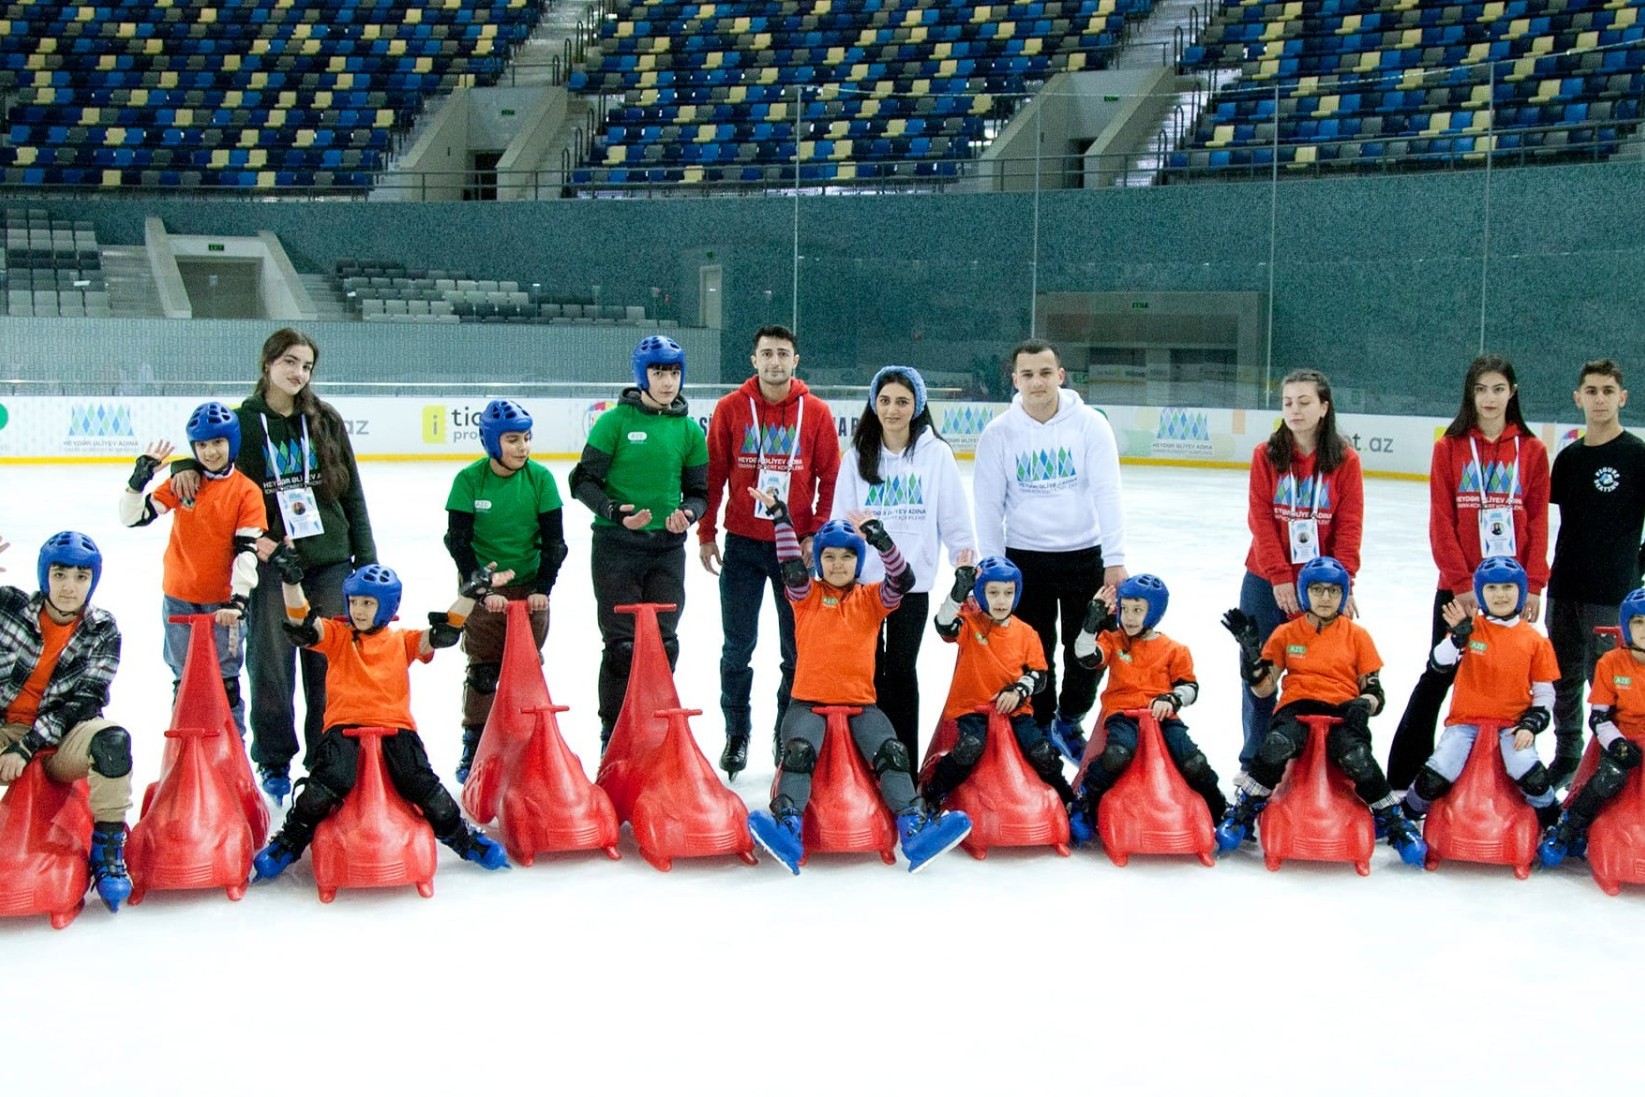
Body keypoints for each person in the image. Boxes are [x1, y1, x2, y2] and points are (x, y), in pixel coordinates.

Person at [172, 329, 377, 805]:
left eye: (306, 366)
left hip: (328, 562)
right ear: (267, 364)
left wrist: (366, 562)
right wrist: (181, 462)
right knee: (270, 666)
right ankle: (275, 760)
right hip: (267, 564)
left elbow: (353, 494)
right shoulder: (242, 423)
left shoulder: (325, 420)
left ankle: (328, 755)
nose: (298, 373)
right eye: (289, 362)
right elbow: (209, 459)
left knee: (327, 664)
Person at [744, 489, 972, 874]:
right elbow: (789, 565)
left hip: (861, 705)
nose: (837, 564)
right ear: (818, 562)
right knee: (798, 752)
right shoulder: (806, 595)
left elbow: (903, 578)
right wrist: (781, 517)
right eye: (828, 557)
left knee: (893, 753)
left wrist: (878, 536)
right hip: (808, 704)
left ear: (858, 561)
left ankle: (914, 828)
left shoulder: (870, 599)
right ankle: (788, 825)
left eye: (847, 556)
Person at [251, 550, 508, 878]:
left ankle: (462, 838)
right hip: (343, 729)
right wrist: (291, 580)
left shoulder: (402, 641)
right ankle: (289, 841)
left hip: (395, 729)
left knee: (422, 785)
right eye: (354, 602)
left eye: (368, 603)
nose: (358, 610)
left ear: (386, 606)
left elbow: (444, 631)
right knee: (327, 783)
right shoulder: (337, 636)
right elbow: (303, 623)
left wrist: (469, 594)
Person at [1384, 354, 1549, 791]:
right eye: (1481, 389)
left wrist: (1533, 584)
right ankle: (1404, 774)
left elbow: (1537, 522)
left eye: (1498, 388)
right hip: (1459, 591)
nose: (1490, 398)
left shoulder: (1531, 451)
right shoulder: (1449, 448)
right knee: (1439, 675)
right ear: (1469, 394)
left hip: (1512, 594)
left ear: (1512, 392)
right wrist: (1462, 586)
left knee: (1508, 680)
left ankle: (1510, 772)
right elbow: (1441, 521)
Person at [973, 338, 1127, 764]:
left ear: (1060, 376)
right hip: (1024, 561)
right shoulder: (998, 433)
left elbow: (1108, 492)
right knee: (1033, 650)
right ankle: (1038, 727)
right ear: (1015, 379)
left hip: (1083, 556)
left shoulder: (1090, 425)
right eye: (1028, 374)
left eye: (1045, 373)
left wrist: (1114, 559)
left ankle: (1069, 718)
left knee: (1088, 649)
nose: (1037, 382)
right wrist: (992, 566)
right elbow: (987, 504)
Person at [699, 324, 839, 779]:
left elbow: (830, 478)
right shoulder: (730, 409)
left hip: (791, 547)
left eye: (783, 353)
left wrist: (815, 532)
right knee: (736, 647)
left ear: (795, 361)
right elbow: (714, 474)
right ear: (753, 359)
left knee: (795, 651)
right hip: (741, 543)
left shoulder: (815, 413)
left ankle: (785, 731)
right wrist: (706, 533)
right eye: (767, 354)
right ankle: (737, 734)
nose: (775, 361)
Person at [1219, 556, 1426, 864]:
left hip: (1342, 709)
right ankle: (1245, 810)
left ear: (1343, 594)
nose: (1325, 598)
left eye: (1333, 591)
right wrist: (1250, 655)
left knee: (1356, 757)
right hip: (1297, 707)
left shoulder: (1357, 636)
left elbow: (1374, 692)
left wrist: (1363, 705)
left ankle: (1392, 820)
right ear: (1305, 593)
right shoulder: (1287, 633)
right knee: (1276, 745)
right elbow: (1263, 688)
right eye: (1317, 590)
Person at [569, 335, 709, 747]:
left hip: (666, 550)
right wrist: (616, 513)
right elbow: (583, 481)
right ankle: (612, 735)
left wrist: (689, 514)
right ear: (641, 375)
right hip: (616, 548)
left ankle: (655, 727)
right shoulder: (614, 422)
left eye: (674, 372)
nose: (668, 381)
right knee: (622, 647)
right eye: (658, 372)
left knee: (664, 645)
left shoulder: (688, 431)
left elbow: (699, 492)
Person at [832, 364, 975, 764]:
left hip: (911, 585)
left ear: (917, 406)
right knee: (866, 673)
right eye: (885, 401)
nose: (892, 409)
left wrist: (965, 559)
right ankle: (867, 759)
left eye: (902, 401)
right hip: (863, 586)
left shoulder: (936, 455)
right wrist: (835, 575)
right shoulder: (858, 455)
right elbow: (840, 519)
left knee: (900, 672)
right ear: (873, 404)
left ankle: (903, 765)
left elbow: (954, 516)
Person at [1236, 369, 1363, 771]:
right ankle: (1255, 754)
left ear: (1325, 407)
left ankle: (1311, 753)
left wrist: (1342, 584)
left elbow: (1349, 527)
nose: (1294, 410)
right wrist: (1279, 576)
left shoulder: (1345, 460)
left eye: (1304, 401)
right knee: (1258, 667)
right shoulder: (1266, 455)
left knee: (1319, 669)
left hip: (1320, 586)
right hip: (1265, 579)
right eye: (1288, 402)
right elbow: (1260, 518)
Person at [0, 533, 134, 911]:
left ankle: (107, 849)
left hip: (62, 740)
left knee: (112, 742)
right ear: (45, 577)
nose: (69, 587)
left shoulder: (102, 629)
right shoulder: (7, 606)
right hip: (5, 732)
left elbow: (84, 704)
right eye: (59, 575)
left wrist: (25, 748)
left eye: (81, 577)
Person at [119, 401, 264, 735]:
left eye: (217, 442)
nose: (210, 452)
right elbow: (133, 517)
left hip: (223, 605)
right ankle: (184, 745)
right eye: (201, 445)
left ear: (232, 442)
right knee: (184, 679)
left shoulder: (246, 492)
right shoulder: (184, 482)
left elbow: (247, 551)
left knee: (226, 680)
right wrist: (136, 482)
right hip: (179, 598)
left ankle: (232, 749)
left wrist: (238, 600)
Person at [444, 398, 567, 783]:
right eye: (513, 440)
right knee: (483, 670)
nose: (523, 447)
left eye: (527, 438)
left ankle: (533, 741)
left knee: (528, 669)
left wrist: (542, 589)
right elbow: (458, 542)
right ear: (493, 442)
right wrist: (480, 588)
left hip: (530, 587)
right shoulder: (469, 480)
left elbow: (555, 543)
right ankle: (474, 742)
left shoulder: (541, 479)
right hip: (484, 589)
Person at [1398, 557, 1561, 828]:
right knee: (1439, 771)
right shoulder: (1470, 628)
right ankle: (1406, 814)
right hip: (1465, 723)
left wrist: (1532, 724)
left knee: (1528, 771)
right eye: (1492, 588)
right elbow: (1439, 663)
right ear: (1480, 593)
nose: (1500, 595)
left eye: (1508, 587)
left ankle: (1552, 818)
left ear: (1520, 591)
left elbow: (1545, 693)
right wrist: (1458, 637)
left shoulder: (1535, 641)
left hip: (1511, 725)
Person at [1544, 359, 1645, 788]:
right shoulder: (1568, 459)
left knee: (1607, 683)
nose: (1599, 398)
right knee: (1562, 679)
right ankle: (1566, 754)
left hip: (1613, 595)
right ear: (1578, 397)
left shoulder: (1638, 456)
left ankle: (1605, 758)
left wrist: (1634, 568)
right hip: (1564, 589)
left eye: (1608, 391)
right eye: (1592, 390)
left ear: (1622, 398)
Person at [921, 556, 1078, 821]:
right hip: (972, 708)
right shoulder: (970, 623)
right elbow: (943, 625)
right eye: (993, 593)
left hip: (1016, 711)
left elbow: (1039, 675)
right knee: (970, 746)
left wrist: (1017, 691)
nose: (1001, 600)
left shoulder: (1027, 633)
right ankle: (935, 791)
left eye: (1008, 593)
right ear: (981, 593)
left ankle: (1067, 798)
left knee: (1041, 750)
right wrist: (959, 589)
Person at [1068, 574, 1226, 835]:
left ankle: (1219, 809)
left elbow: (1189, 687)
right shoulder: (1112, 640)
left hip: (1162, 717)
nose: (1128, 617)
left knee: (1193, 760)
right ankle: (1087, 800)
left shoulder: (1174, 649)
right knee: (1117, 754)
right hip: (1122, 715)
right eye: (1124, 609)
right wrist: (1091, 622)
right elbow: (1086, 656)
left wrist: (1172, 699)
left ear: (1154, 612)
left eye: (1137, 610)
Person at [1539, 587, 1645, 867]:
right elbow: (1599, 717)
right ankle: (1568, 828)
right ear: (1626, 625)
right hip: (1621, 740)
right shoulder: (1611, 663)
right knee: (1608, 777)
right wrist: (1616, 742)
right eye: (1639, 622)